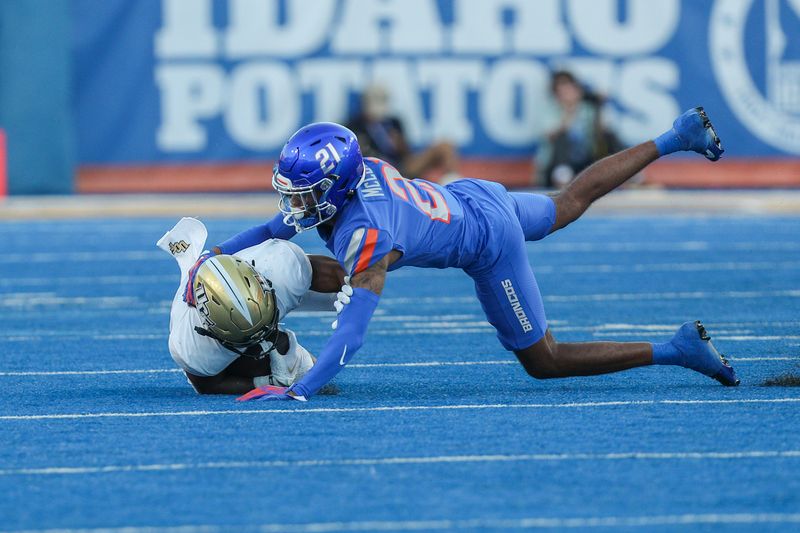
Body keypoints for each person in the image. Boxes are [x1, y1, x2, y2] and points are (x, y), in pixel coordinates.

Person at [205, 106, 736, 402]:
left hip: (486, 241)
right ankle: (675, 135)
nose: (295, 203)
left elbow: (355, 331)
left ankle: (678, 348)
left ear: (335, 187)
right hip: (470, 195)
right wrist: (215, 255)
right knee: (567, 203)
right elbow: (275, 227)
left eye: (305, 192)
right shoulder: (354, 174)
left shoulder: (363, 232)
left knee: (544, 362)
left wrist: (302, 390)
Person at [157, 217, 346, 394]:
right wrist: (266, 383)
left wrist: (355, 312)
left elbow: (342, 275)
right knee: (300, 373)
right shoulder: (191, 346)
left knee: (349, 290)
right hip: (223, 345)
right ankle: (271, 352)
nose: (262, 335)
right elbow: (208, 385)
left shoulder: (277, 268)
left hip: (274, 287)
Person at [346, 84, 460, 182]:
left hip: (401, 167)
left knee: (445, 146)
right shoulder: (355, 126)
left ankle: (451, 185)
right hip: (376, 170)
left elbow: (407, 154)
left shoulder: (393, 122)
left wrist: (400, 145)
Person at [536, 70, 625, 189]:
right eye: (562, 90)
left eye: (569, 88)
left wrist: (599, 106)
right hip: (556, 165)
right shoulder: (549, 109)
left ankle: (629, 173)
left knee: (609, 136)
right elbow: (550, 136)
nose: (567, 93)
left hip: (585, 160)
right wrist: (569, 111)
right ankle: (562, 178)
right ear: (556, 93)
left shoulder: (587, 108)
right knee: (562, 137)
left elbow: (603, 131)